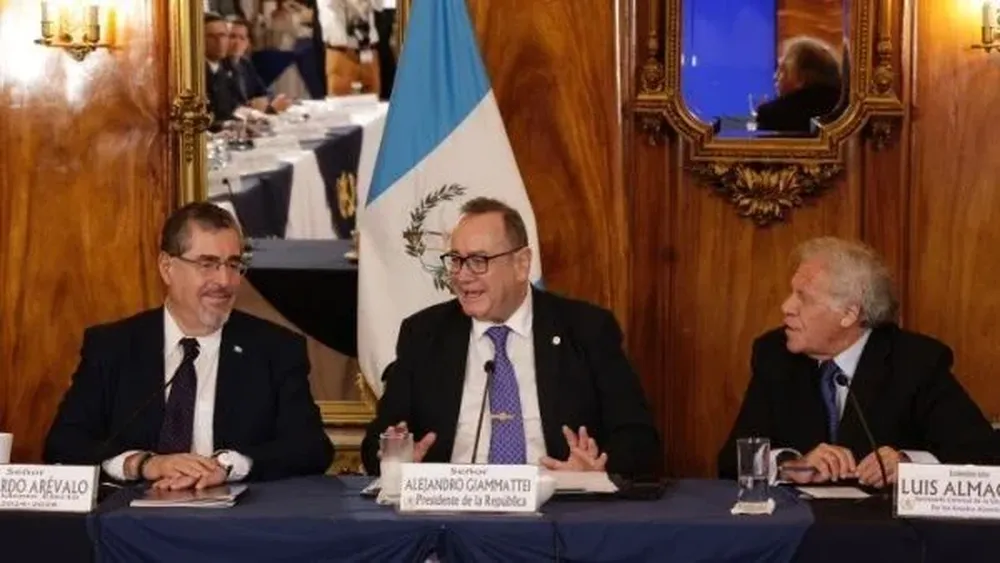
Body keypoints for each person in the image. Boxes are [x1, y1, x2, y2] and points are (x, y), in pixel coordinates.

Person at [361, 197, 660, 478]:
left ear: (521, 264)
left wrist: (595, 470)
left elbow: (639, 439)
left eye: (478, 260)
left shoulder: (586, 329)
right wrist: (395, 459)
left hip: (559, 510)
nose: (462, 276)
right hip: (452, 515)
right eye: (456, 260)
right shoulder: (424, 334)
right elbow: (378, 441)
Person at [44, 203, 333, 489]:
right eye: (207, 264)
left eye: (233, 265)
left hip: (236, 526)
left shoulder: (275, 349)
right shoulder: (113, 347)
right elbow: (64, 446)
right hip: (132, 523)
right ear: (167, 268)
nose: (224, 280)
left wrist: (229, 465)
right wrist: (143, 464)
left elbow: (311, 449)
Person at [718, 237, 1000, 488]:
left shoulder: (916, 362)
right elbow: (733, 461)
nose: (786, 307)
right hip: (799, 532)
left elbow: (985, 456)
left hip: (888, 535)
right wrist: (789, 466)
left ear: (849, 314)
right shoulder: (775, 354)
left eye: (802, 298)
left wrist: (908, 464)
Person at [754, 36, 842, 134]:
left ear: (801, 78)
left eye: (782, 70)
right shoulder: (848, 111)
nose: (775, 77)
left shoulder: (773, 115)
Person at [227, 15, 293, 113]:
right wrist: (268, 108)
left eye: (242, 38)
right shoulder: (219, 68)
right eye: (232, 37)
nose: (237, 42)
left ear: (247, 43)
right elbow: (232, 108)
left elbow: (262, 92)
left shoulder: (245, 64)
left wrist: (273, 101)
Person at [316, 0, 381, 96]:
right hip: (341, 52)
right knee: (341, 105)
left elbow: (379, 6)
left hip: (368, 49)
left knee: (373, 103)